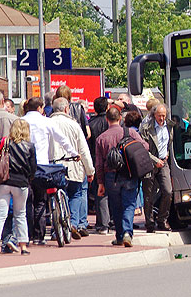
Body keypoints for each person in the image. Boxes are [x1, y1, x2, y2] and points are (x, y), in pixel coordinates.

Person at [22, 97, 79, 244]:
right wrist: (74, 153)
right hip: (42, 165)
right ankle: (39, 236)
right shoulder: (46, 122)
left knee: (27, 201)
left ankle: (26, 235)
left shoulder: (21, 121)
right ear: (40, 108)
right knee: (40, 201)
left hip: (25, 167)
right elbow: (62, 139)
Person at [95, 106, 149, 247]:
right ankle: (127, 233)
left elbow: (99, 164)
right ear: (120, 118)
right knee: (129, 205)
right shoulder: (130, 132)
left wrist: (100, 183)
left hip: (110, 176)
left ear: (107, 119)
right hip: (129, 173)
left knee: (116, 206)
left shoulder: (101, 138)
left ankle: (119, 236)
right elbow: (145, 146)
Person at [0, 119, 36, 257]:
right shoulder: (30, 146)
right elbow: (33, 168)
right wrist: (28, 179)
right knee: (20, 214)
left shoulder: (5, 142)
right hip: (21, 183)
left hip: (3, 182)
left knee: (0, 214)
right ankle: (23, 246)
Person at [49, 97, 95, 238]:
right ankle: (73, 224)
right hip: (72, 166)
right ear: (66, 109)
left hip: (52, 167)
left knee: (54, 197)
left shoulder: (47, 123)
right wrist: (90, 170)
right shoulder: (73, 125)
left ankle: (56, 229)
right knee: (75, 194)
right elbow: (83, 150)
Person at [140, 103, 173, 232]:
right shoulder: (146, 128)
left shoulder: (169, 126)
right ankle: (149, 222)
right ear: (154, 115)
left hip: (163, 163)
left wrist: (166, 155)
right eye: (159, 116)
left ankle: (162, 219)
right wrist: (155, 160)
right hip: (150, 164)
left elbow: (168, 143)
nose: (162, 118)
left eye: (164, 116)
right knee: (149, 195)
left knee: (168, 191)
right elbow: (143, 149)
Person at [87, 97, 112, 234]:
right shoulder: (110, 123)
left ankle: (101, 222)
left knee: (99, 192)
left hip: (95, 160)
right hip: (111, 161)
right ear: (107, 108)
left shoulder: (91, 123)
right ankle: (110, 220)